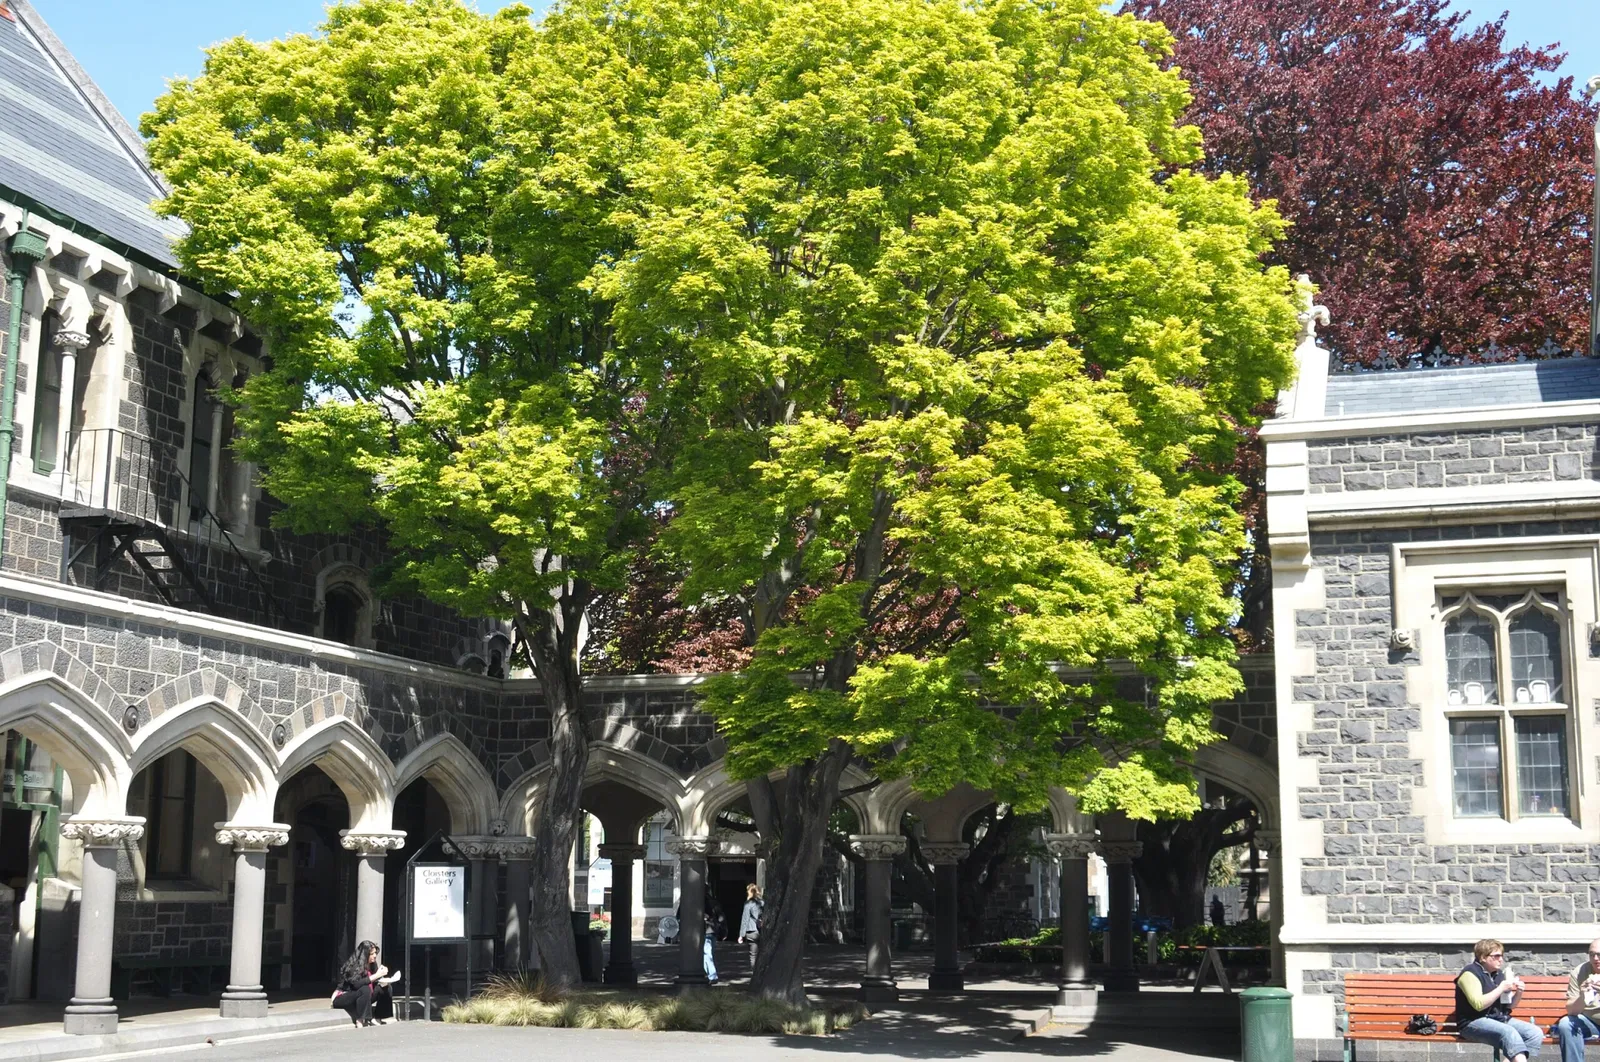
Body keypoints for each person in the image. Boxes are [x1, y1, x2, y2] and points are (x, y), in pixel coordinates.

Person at [1454, 939, 1542, 1062]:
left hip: (1497, 1019)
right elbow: (1478, 1005)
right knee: (1508, 1032)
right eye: (1496, 956)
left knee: (1534, 1033)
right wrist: (1501, 988)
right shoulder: (1470, 974)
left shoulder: (1498, 974)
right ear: (1483, 957)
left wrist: (1519, 993)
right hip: (1472, 1023)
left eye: (1501, 955)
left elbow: (1509, 1007)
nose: (1501, 959)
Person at [331, 940, 400, 1027]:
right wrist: (376, 975)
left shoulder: (372, 965)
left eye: (375, 953)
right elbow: (356, 985)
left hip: (363, 997)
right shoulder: (354, 966)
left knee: (386, 987)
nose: (375, 956)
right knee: (365, 988)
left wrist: (382, 979)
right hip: (344, 997)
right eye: (372, 954)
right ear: (365, 954)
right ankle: (360, 1020)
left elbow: (374, 982)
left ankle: (378, 1017)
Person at [1554, 938, 1600, 1062]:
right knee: (1566, 1024)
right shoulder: (1580, 972)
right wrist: (1582, 996)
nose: (1595, 958)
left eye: (1599, 954)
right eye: (1592, 954)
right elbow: (1571, 1011)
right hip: (1591, 1022)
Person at [738, 884, 763, 965]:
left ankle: (754, 973)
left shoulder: (748, 904)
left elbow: (745, 919)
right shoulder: (763, 903)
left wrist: (741, 935)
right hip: (762, 930)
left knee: (753, 955)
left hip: (751, 931)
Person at [702, 909, 718, 985]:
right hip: (712, 932)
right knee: (708, 955)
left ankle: (712, 976)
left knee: (707, 955)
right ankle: (709, 975)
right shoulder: (713, 905)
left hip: (706, 933)